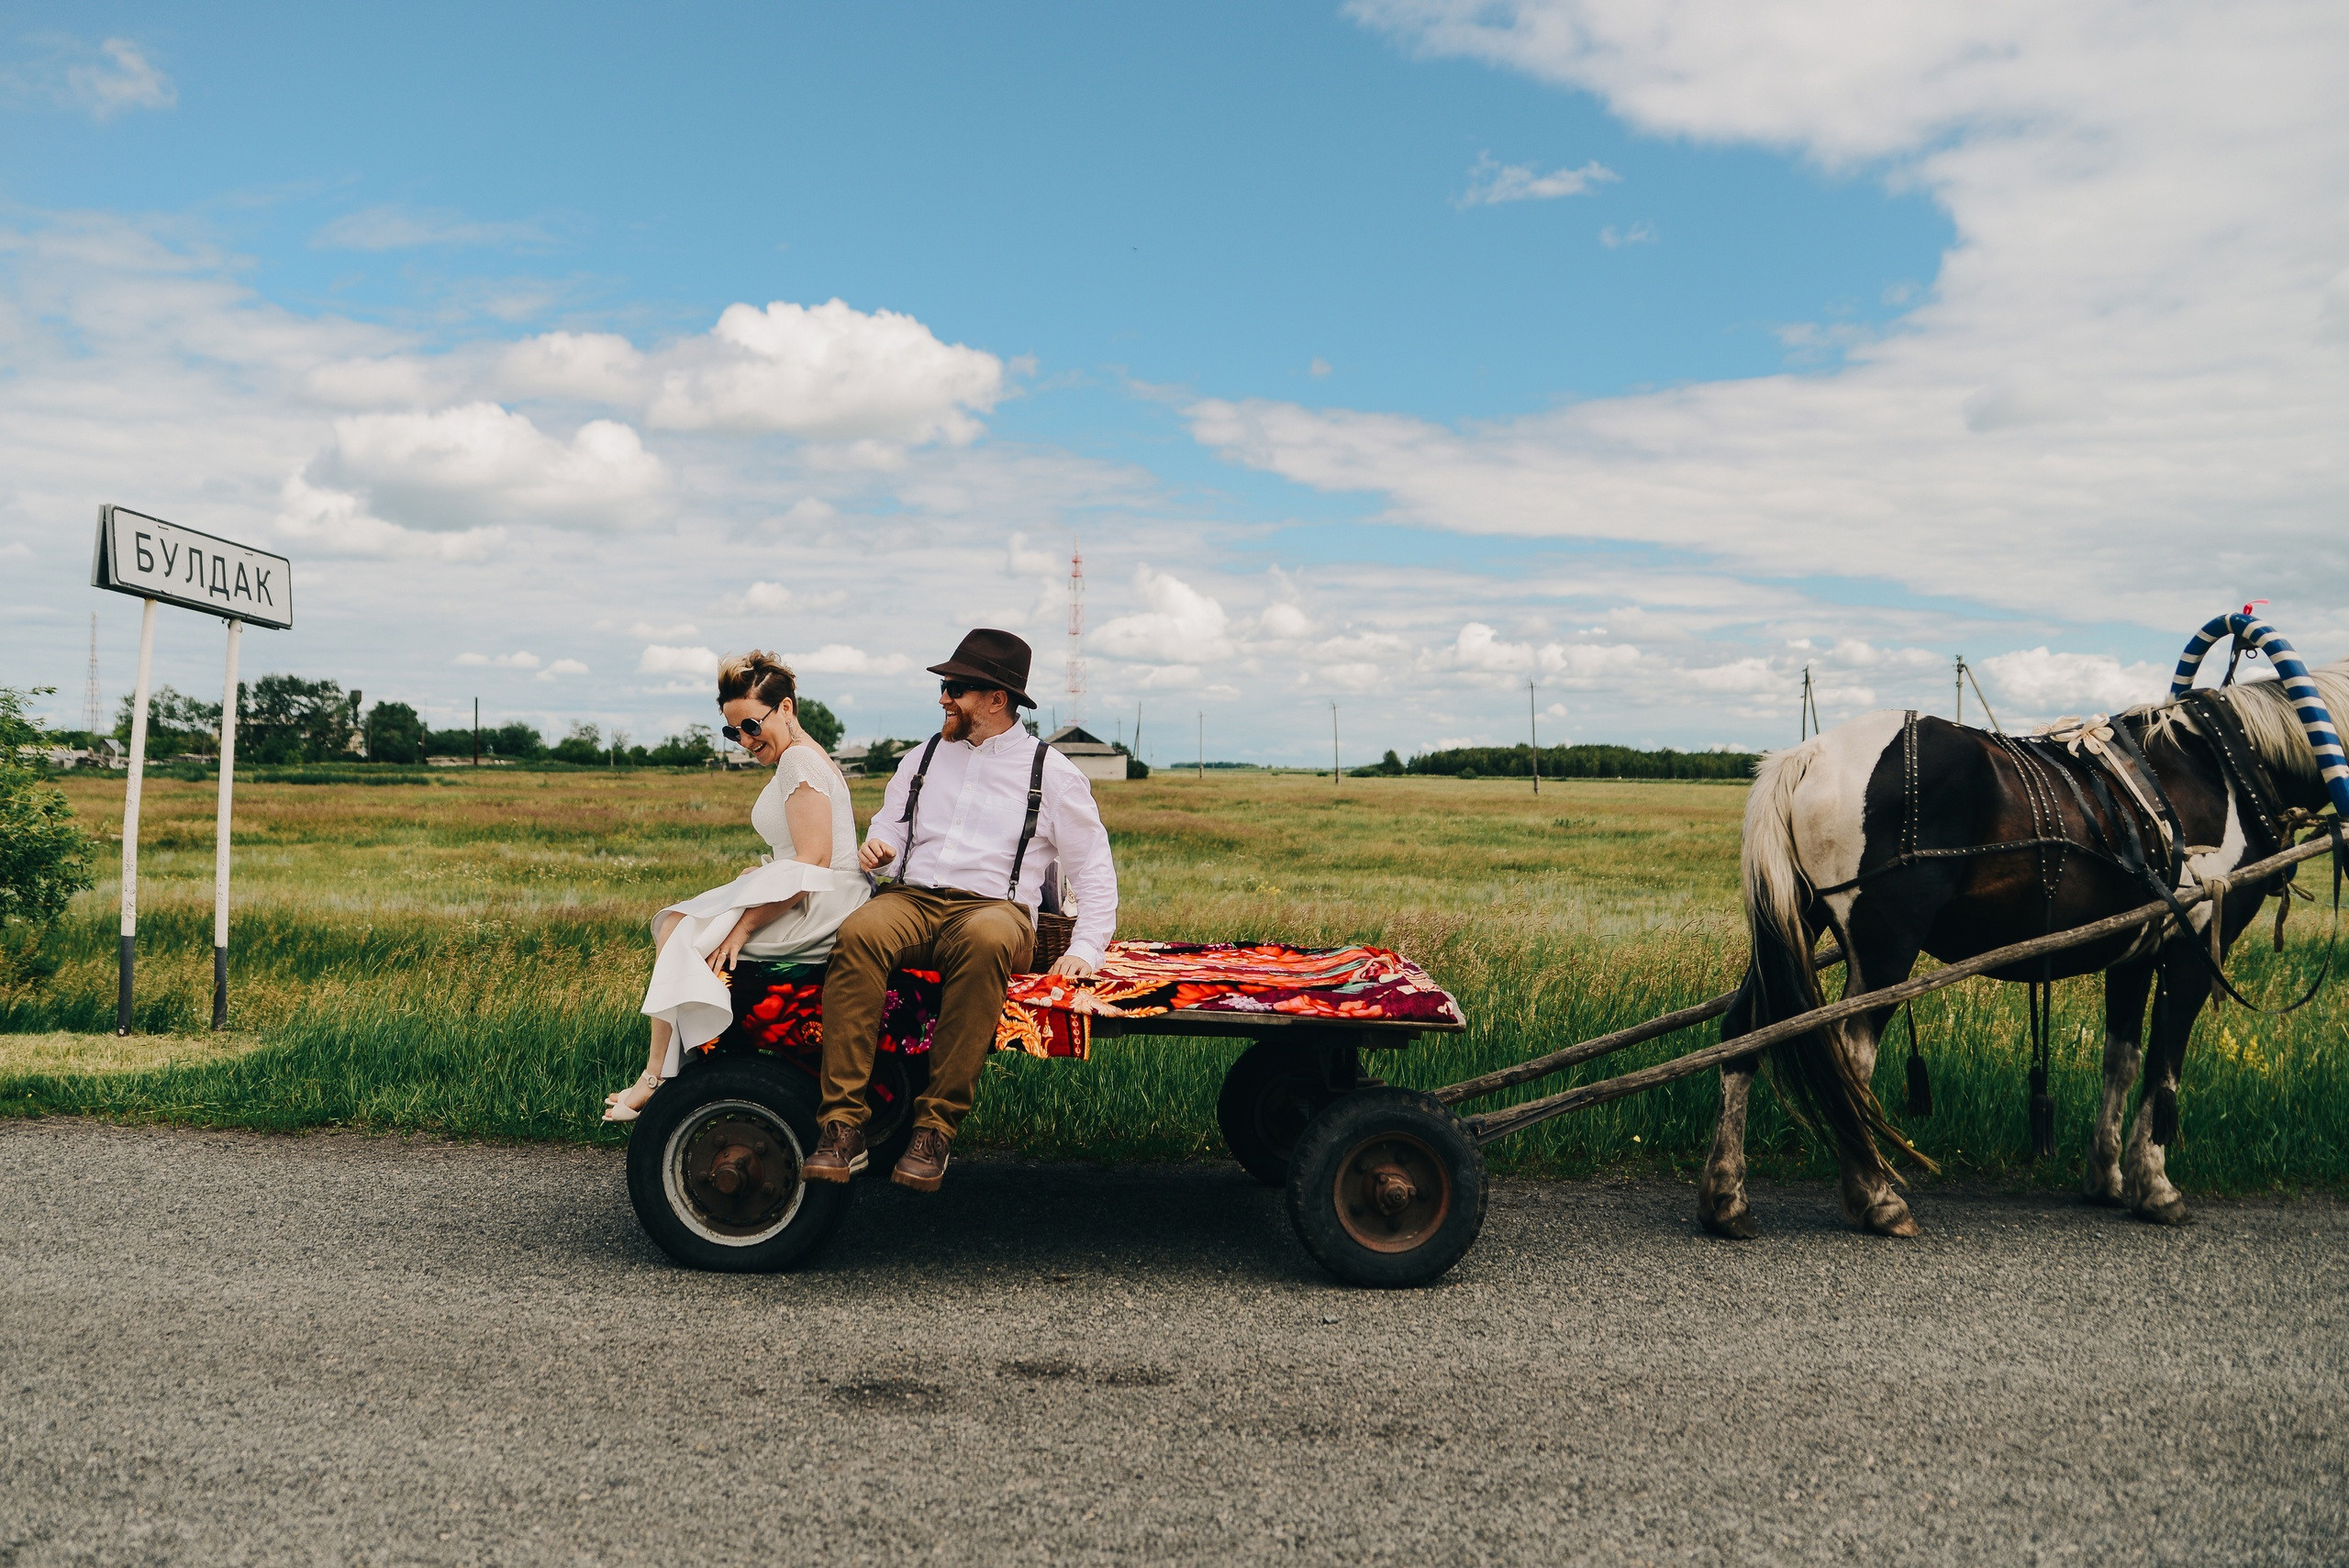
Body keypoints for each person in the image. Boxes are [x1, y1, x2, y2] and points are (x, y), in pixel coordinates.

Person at [803, 628, 1117, 1190]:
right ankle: (843, 1126)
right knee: (859, 933)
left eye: (957, 688)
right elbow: (890, 825)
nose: (944, 697)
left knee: (986, 940)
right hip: (913, 900)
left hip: (995, 911)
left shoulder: (1055, 774)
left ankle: (934, 1129)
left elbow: (1094, 869)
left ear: (997, 699)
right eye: (945, 686)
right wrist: (880, 848)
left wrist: (1086, 949)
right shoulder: (921, 756)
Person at [603, 651, 869, 1121]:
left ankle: (658, 1076)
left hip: (823, 903)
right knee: (677, 922)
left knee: (677, 928)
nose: (744, 740)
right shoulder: (804, 753)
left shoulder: (798, 763)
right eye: (732, 731)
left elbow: (815, 862)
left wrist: (744, 926)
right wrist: (764, 874)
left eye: (750, 725)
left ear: (785, 709)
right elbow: (805, 854)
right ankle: (664, 1071)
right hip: (817, 890)